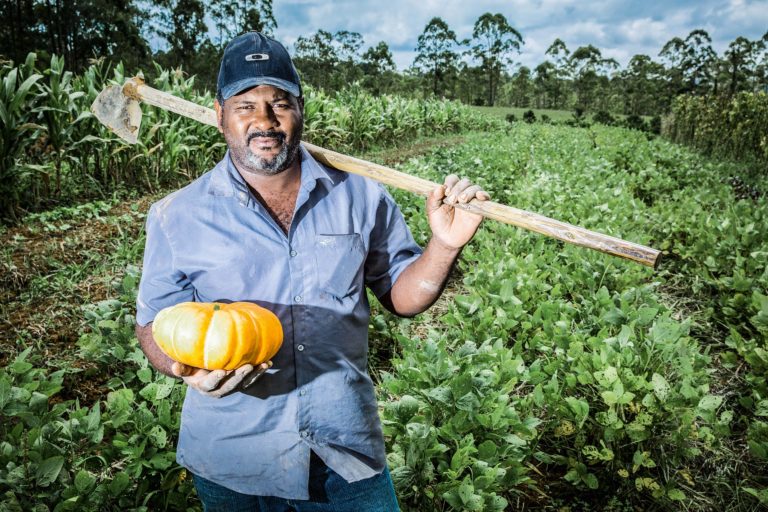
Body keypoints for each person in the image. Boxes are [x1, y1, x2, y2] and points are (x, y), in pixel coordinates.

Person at [135, 31, 490, 511]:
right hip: (233, 456)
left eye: (279, 103)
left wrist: (444, 245)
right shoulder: (175, 215)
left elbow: (403, 298)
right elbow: (153, 323)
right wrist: (183, 366)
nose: (265, 121)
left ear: (301, 109)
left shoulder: (362, 197)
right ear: (219, 115)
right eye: (246, 106)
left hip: (344, 451)